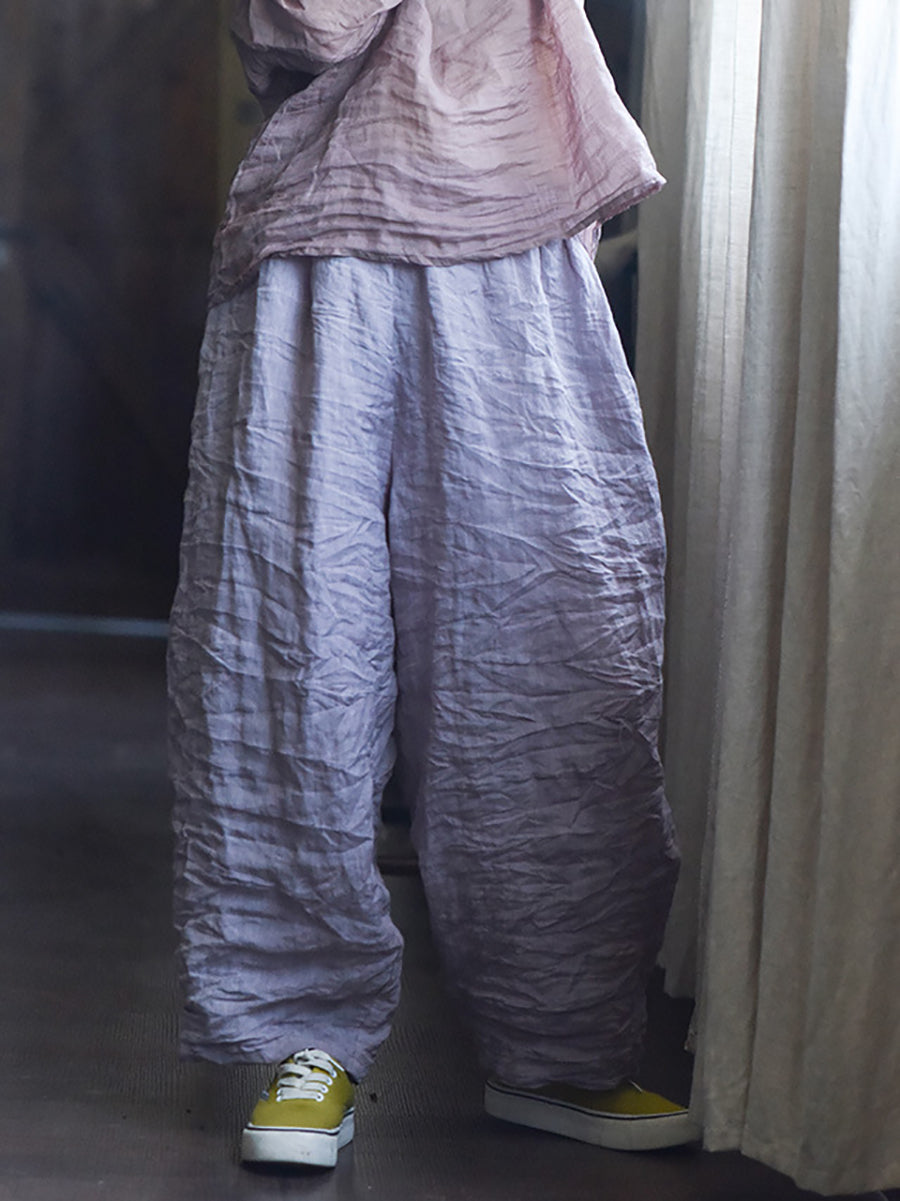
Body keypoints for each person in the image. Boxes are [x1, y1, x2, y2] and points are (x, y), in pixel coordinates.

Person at [168, 0, 698, 1168]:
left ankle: (560, 1042)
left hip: (517, 218)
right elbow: (300, 23)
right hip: (324, 229)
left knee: (547, 632)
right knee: (294, 644)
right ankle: (302, 1037)